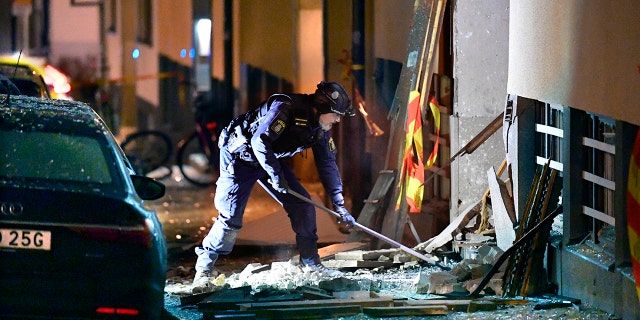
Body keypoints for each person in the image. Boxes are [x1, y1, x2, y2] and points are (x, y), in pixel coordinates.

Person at [193, 81, 357, 286]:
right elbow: (259, 141)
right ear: (322, 107)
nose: (338, 120)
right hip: (240, 157)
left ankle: (311, 263)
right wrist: (276, 176)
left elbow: (327, 164)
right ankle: (204, 268)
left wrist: (339, 205)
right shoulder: (285, 107)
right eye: (336, 114)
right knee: (231, 219)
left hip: (269, 158)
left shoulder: (321, 129)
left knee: (303, 205)